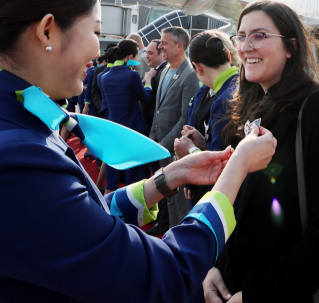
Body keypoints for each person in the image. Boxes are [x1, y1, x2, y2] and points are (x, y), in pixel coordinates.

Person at [0, 0, 278, 303]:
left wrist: (168, 178)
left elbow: (75, 222)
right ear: (47, 31)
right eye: (96, 31)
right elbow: (159, 279)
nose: (97, 50)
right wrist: (236, 168)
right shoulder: (11, 159)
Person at [202, 0, 319, 303]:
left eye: (259, 36)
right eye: (241, 36)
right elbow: (241, 206)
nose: (245, 47)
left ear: (291, 47)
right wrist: (219, 265)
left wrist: (257, 296)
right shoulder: (250, 110)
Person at [174, 31, 240, 206]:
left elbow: (219, 163)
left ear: (198, 68)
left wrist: (189, 150)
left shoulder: (224, 99)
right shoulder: (238, 86)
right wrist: (203, 143)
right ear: (228, 55)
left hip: (219, 195)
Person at [147, 27, 200, 236]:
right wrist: (153, 140)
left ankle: (181, 240)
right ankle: (170, 233)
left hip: (176, 149)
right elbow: (158, 110)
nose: (160, 46)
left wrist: (163, 145)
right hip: (162, 147)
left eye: (164, 43)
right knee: (168, 196)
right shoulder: (165, 70)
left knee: (180, 201)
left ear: (179, 46)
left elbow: (185, 118)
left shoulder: (190, 75)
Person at [100, 39, 157, 193]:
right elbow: (146, 98)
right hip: (133, 128)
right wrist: (148, 81)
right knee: (133, 176)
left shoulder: (104, 77)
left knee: (112, 177)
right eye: (137, 56)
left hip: (113, 128)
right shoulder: (132, 75)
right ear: (130, 56)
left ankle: (107, 206)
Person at [142, 39, 167, 131]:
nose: (146, 56)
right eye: (146, 53)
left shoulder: (164, 72)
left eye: (150, 53)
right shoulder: (155, 71)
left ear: (161, 54)